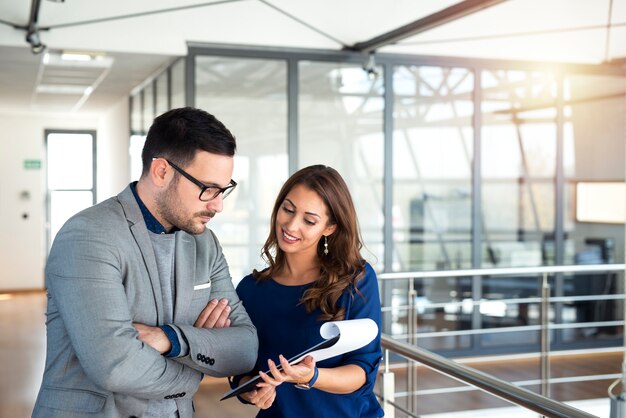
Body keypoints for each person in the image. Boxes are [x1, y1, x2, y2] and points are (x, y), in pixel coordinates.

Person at [33, 107, 258, 418]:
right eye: (208, 189)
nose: (218, 205)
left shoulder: (204, 243)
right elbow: (116, 366)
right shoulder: (88, 236)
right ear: (161, 171)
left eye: (224, 190)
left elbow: (245, 349)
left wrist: (173, 339)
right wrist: (194, 370)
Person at [233, 165, 384, 417]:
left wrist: (310, 376)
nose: (291, 225)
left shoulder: (356, 280)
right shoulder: (250, 289)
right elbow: (242, 369)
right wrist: (248, 391)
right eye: (288, 210)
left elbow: (362, 370)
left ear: (330, 228)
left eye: (309, 220)